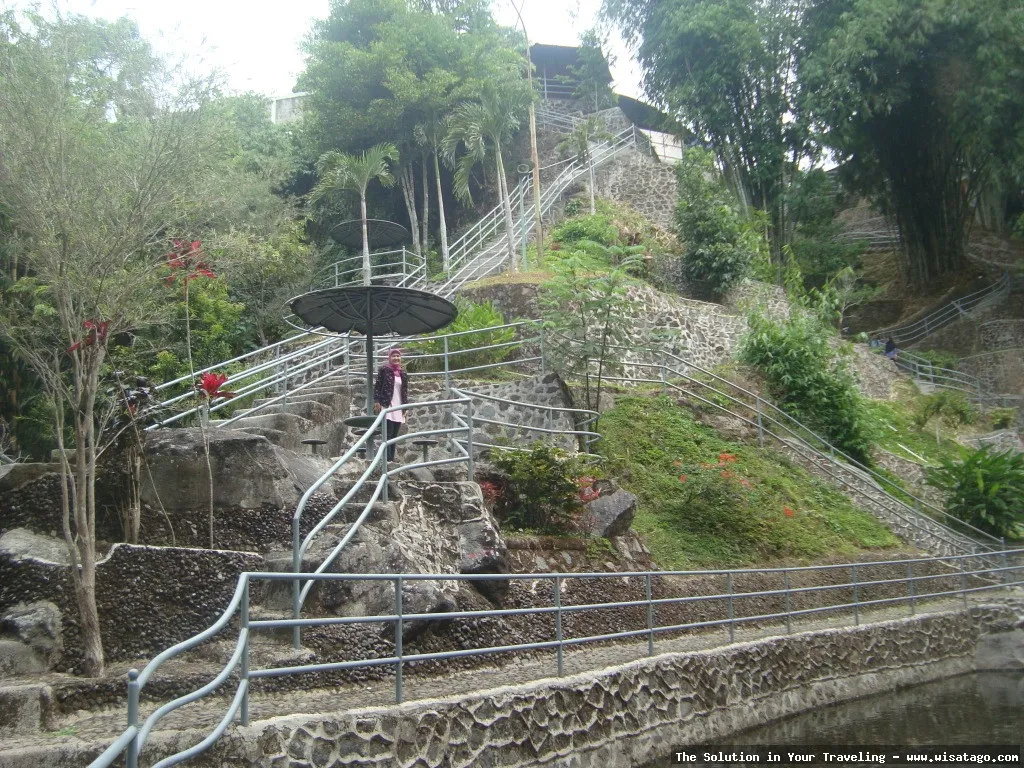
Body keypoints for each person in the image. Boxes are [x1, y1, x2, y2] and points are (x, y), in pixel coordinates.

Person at [373, 347, 408, 461]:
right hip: (387, 404)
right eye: (393, 356)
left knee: (394, 435)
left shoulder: (402, 373)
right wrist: (377, 401)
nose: (396, 358)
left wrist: (405, 407)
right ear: (389, 358)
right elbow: (378, 386)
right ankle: (387, 459)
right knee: (387, 433)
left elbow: (405, 391)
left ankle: (391, 458)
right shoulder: (384, 369)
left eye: (398, 356)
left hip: (399, 406)